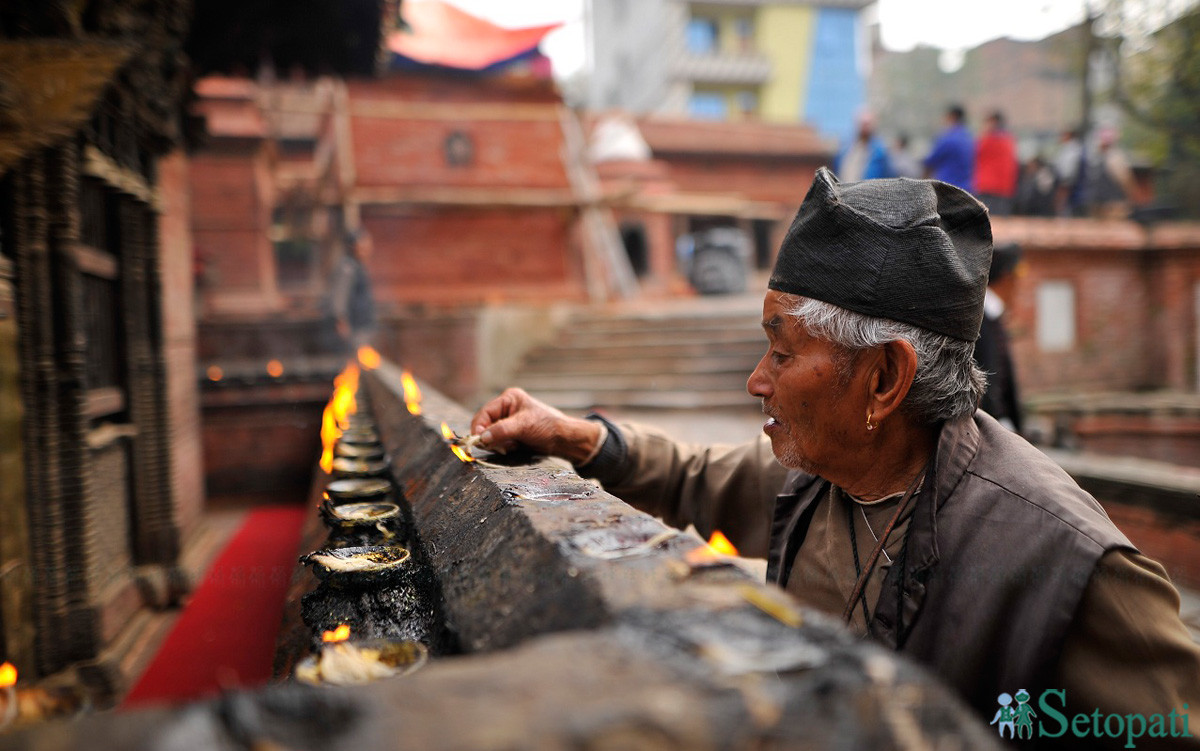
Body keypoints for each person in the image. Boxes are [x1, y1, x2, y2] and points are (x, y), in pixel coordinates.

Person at [472, 169, 1200, 738]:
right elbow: (695, 476)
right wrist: (575, 436)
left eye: (783, 351)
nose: (757, 380)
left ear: (883, 379)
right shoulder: (820, 478)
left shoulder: (1066, 567)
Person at [973, 242, 1023, 433]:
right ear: (1006, 278)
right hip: (992, 430)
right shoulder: (982, 321)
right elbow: (989, 380)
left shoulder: (992, 317)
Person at [328, 227, 377, 352]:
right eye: (363, 246)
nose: (367, 250)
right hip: (354, 328)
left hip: (362, 324)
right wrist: (341, 321)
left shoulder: (358, 266)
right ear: (352, 246)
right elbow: (339, 296)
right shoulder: (347, 268)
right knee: (355, 361)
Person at [1083, 127, 1136, 220]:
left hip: (1105, 204)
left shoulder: (1100, 158)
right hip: (1110, 205)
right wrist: (1132, 196)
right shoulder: (1114, 157)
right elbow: (1125, 180)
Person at [973, 111, 1019, 216]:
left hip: (988, 186)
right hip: (1005, 186)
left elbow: (975, 153)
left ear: (993, 122)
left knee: (987, 219)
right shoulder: (1009, 139)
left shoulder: (987, 139)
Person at [923, 104, 974, 190]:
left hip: (947, 188)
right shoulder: (970, 138)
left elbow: (930, 162)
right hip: (968, 189)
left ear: (952, 116)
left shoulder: (948, 138)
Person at [834, 113, 892, 181]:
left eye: (867, 124)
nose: (865, 127)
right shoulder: (846, 148)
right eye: (863, 123)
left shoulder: (881, 152)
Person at [1054, 128, 1086, 217]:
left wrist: (1062, 191)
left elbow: (1067, 174)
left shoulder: (1072, 150)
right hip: (1070, 188)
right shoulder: (1075, 148)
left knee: (1066, 214)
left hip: (1069, 190)